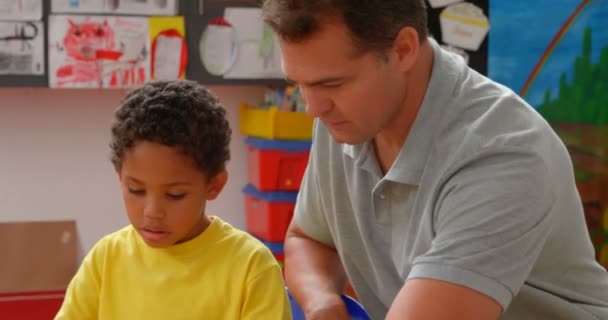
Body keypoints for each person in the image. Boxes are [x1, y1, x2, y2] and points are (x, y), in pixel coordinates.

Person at [261, 0, 608, 319]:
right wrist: (323, 303)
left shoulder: (505, 154)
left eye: (332, 83)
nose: (313, 108)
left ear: (403, 49)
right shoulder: (345, 118)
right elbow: (309, 238)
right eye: (300, 83)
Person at [54, 80, 292, 320]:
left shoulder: (251, 267)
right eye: (136, 190)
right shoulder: (106, 259)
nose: (152, 212)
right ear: (120, 177)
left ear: (214, 185)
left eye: (174, 195)